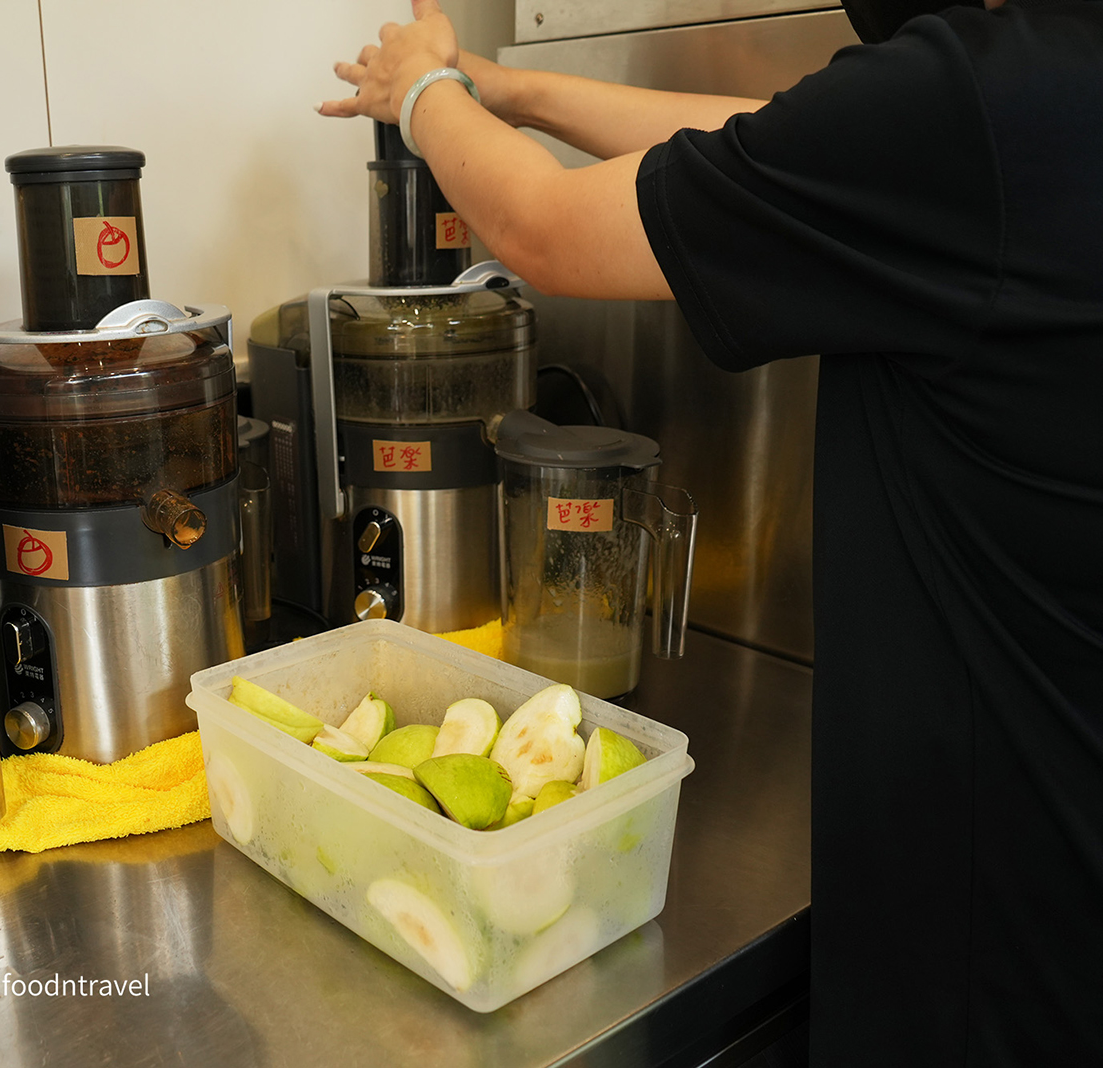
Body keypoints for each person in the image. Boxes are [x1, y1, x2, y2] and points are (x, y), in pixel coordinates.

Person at [321, 1, 1103, 1064]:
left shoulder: (978, 100)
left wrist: (422, 91)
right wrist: (514, 91)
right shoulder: (1031, 100)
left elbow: (542, 227)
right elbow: (781, 130)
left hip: (994, 932)